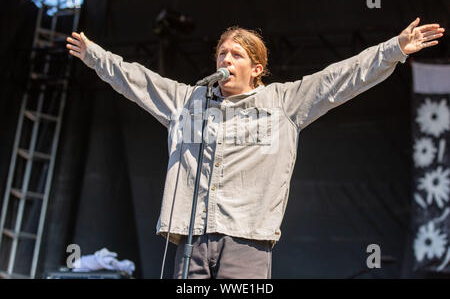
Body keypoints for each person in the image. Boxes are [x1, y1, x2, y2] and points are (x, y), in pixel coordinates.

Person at [66, 18, 444, 279]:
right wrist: (94, 55)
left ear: (257, 68)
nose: (225, 60)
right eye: (221, 54)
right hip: (192, 237)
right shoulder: (189, 101)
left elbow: (340, 79)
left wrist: (394, 49)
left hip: (247, 240)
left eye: (236, 55)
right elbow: (136, 80)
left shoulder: (284, 102)